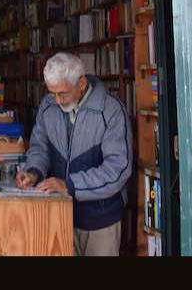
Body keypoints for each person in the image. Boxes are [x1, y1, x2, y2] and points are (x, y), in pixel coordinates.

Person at [15, 52, 132, 256]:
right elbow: (39, 147)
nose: (57, 101)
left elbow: (118, 169)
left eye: (63, 94)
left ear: (82, 83)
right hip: (57, 215)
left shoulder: (111, 111)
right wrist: (34, 171)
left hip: (99, 220)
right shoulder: (47, 107)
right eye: (52, 93)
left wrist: (70, 185)